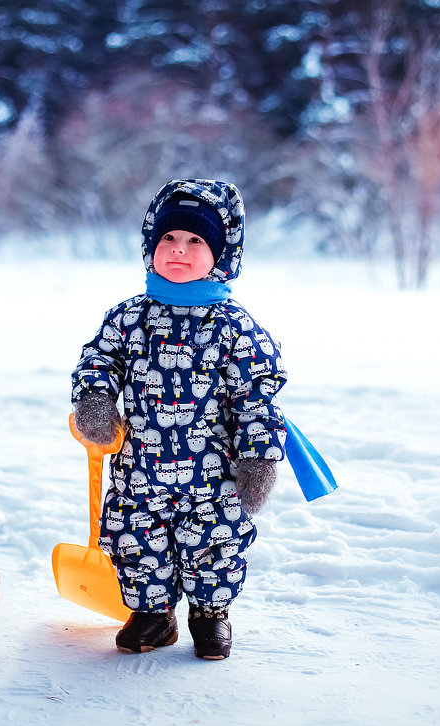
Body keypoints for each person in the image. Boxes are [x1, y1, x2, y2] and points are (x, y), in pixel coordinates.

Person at [70, 178, 287, 660]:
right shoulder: (128, 318)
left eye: (195, 241)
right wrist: (96, 399)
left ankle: (210, 615)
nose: (179, 251)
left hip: (215, 475)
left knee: (216, 543)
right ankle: (153, 614)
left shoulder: (235, 327)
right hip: (140, 468)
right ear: (151, 246)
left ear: (220, 255)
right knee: (135, 538)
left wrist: (259, 459)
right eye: (168, 238)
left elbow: (257, 399)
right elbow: (98, 361)